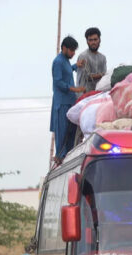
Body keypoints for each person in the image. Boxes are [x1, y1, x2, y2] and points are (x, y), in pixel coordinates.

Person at [51, 35, 86, 164]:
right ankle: (60, 158)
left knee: (71, 132)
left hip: (70, 103)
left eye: (74, 51)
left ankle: (69, 157)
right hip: (62, 103)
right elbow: (58, 81)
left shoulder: (65, 61)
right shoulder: (58, 61)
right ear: (64, 48)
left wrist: (76, 66)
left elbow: (67, 71)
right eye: (71, 50)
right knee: (62, 132)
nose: (73, 53)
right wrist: (74, 89)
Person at [76, 27, 107, 93]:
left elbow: (104, 78)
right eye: (90, 40)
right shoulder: (83, 56)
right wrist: (102, 74)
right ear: (87, 41)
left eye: (95, 39)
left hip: (98, 95)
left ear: (99, 40)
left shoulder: (102, 58)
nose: (93, 42)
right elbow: (87, 77)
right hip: (85, 96)